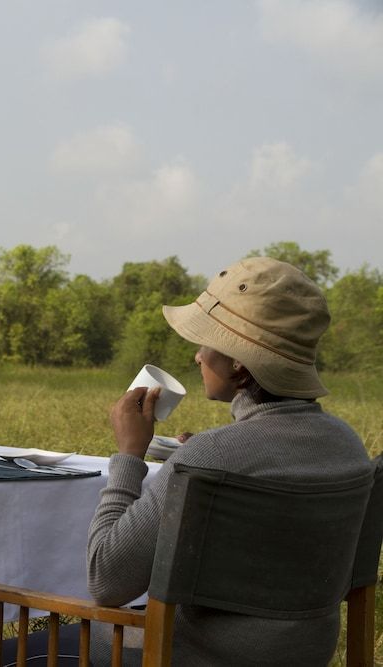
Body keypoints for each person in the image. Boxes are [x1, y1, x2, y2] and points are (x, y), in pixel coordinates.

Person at [86, 256, 374, 665]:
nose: (198, 357)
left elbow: (106, 580)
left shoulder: (210, 455)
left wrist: (129, 454)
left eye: (205, 343)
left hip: (191, 656)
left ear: (238, 361)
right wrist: (199, 454)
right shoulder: (348, 444)